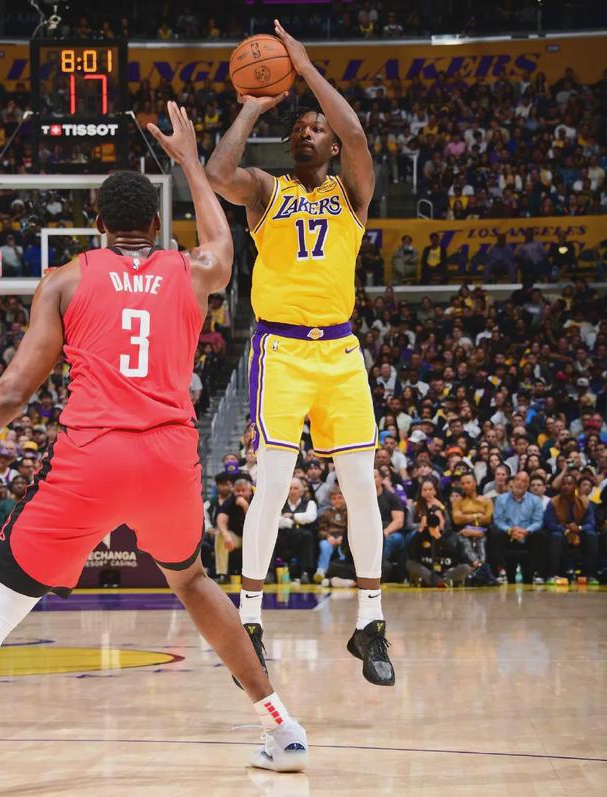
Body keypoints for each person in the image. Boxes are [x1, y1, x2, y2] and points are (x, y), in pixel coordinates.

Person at [0, 104, 308, 773]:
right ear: (156, 224)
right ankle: (283, 728)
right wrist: (190, 160)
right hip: (170, 459)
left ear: (98, 224)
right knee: (192, 580)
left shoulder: (66, 280)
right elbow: (223, 243)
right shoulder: (191, 270)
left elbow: (12, 393)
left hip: (92, 458)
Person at [206, 20, 393, 687]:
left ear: (330, 144)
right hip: (282, 350)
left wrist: (308, 70)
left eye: (318, 126)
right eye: (300, 127)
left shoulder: (352, 194)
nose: (309, 131)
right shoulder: (267, 190)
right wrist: (253, 105)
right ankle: (250, 621)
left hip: (340, 352)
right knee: (273, 483)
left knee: (361, 487)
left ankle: (370, 623)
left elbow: (358, 135)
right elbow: (217, 173)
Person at [491, 471, 546, 584]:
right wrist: (510, 530)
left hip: (527, 535)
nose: (520, 483)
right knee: (495, 534)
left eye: (524, 481)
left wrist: (526, 531)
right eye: (517, 480)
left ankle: (536, 573)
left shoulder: (535, 500)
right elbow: (498, 520)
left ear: (527, 485)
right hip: (508, 535)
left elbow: (538, 522)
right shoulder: (501, 499)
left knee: (540, 535)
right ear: (513, 481)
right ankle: (501, 572)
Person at [544, 473, 598, 585]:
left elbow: (591, 523)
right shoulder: (553, 502)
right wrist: (566, 531)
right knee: (556, 536)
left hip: (579, 533)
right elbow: (550, 523)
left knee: (591, 535)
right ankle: (552, 574)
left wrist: (579, 528)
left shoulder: (584, 503)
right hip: (562, 533)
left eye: (569, 484)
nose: (566, 486)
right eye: (564, 484)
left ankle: (591, 575)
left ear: (575, 487)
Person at [274, 477, 317, 582]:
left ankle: (305, 573)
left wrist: (292, 516)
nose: (292, 491)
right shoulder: (279, 503)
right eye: (290, 488)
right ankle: (270, 572)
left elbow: (310, 517)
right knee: (272, 538)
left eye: (296, 488)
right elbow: (275, 520)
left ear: (301, 491)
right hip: (283, 536)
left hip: (301, 536)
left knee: (308, 536)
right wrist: (291, 522)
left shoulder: (310, 503)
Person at [215, 477, 252, 584]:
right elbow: (220, 520)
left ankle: (254, 575)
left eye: (243, 490)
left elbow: (254, 522)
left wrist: (245, 506)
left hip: (251, 537)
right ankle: (222, 574)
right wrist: (226, 536)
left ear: (249, 491)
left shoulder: (256, 499)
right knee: (220, 535)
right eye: (237, 491)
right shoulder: (230, 500)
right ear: (233, 491)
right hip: (236, 537)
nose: (240, 493)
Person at [314, 486, 347, 582]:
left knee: (345, 549)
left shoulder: (348, 512)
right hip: (330, 538)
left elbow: (350, 529)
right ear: (330, 500)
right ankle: (321, 571)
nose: (337, 501)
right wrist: (328, 537)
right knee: (325, 546)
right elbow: (321, 530)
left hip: (343, 539)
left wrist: (343, 538)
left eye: (340, 498)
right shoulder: (326, 513)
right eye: (334, 498)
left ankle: (343, 573)